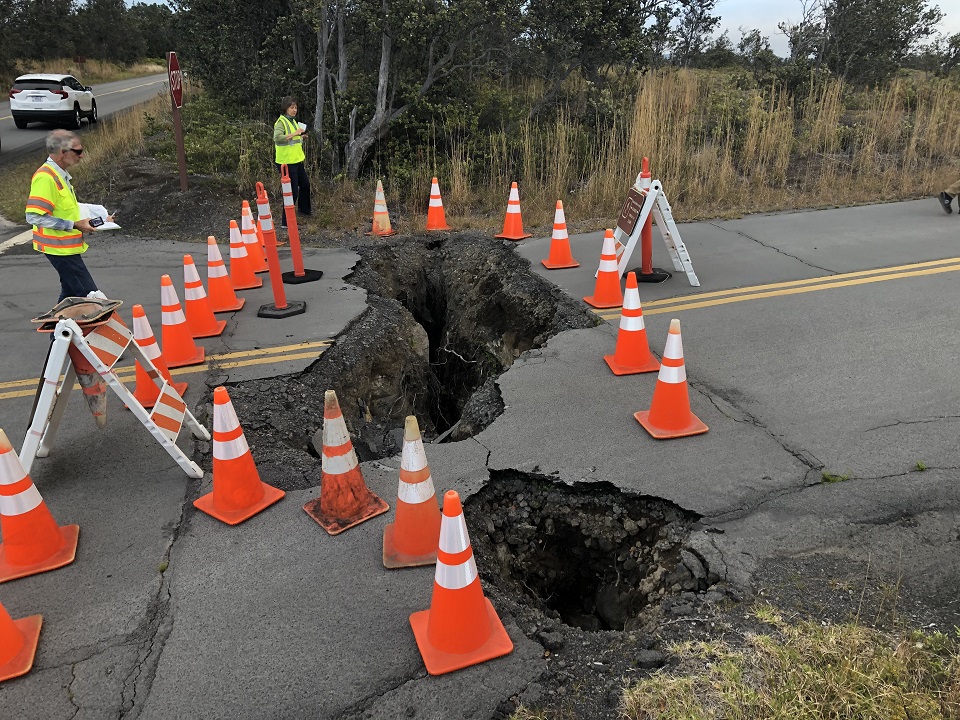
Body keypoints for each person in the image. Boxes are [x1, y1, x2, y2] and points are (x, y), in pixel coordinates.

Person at [26, 129, 112, 302]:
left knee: (70, 296)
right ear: (62, 153)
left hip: (66, 248)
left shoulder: (60, 175)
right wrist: (74, 225)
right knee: (92, 299)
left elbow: (67, 208)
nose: (82, 155)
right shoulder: (46, 178)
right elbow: (33, 217)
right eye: (78, 151)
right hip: (59, 250)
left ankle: (57, 328)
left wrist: (100, 217)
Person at [273, 96, 311, 227]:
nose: (294, 110)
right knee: (292, 191)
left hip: (296, 160)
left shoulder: (294, 122)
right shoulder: (281, 122)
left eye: (295, 107)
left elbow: (293, 140)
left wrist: (302, 137)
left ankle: (304, 211)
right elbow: (277, 138)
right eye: (291, 107)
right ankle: (286, 222)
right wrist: (296, 134)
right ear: (286, 108)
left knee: (305, 185)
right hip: (286, 162)